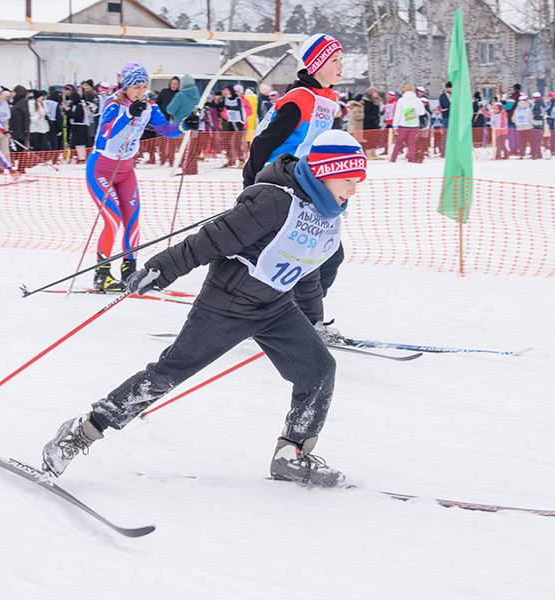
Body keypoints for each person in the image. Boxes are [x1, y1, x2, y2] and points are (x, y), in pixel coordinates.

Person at [41, 129, 367, 488]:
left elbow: (307, 268)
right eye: (349, 180)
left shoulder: (325, 214)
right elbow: (208, 242)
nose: (353, 190)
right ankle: (81, 432)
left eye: (357, 182)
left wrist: (313, 318)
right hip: (226, 305)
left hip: (275, 307)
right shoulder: (273, 202)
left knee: (319, 370)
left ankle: (291, 455)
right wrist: (162, 269)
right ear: (324, 172)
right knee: (166, 374)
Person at [86, 61, 200, 292]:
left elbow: (165, 129)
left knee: (132, 221)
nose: (142, 91)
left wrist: (185, 125)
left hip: (126, 171)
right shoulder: (113, 104)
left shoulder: (149, 106)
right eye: (136, 87)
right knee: (112, 219)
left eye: (144, 86)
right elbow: (106, 133)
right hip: (101, 170)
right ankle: (102, 274)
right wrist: (128, 114)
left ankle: (129, 270)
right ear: (126, 87)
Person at [243, 33, 343, 189]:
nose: (341, 66)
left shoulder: (328, 99)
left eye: (341, 59)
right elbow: (263, 143)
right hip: (278, 179)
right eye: (334, 60)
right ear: (317, 65)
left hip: (305, 178)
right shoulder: (299, 100)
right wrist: (249, 182)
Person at [391, 84, 425, 162]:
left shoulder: (401, 100)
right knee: (412, 143)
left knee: (399, 142)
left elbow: (397, 113)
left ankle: (393, 158)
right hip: (414, 125)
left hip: (402, 124)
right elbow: (422, 113)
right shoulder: (418, 100)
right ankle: (411, 158)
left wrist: (395, 125)